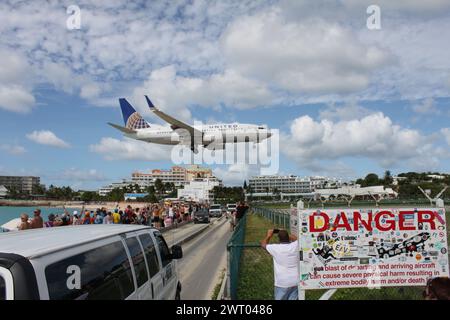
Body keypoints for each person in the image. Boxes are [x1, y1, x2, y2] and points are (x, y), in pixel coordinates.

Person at [261, 229, 299, 300]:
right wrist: (284, 232)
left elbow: (263, 244)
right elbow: (297, 239)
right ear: (288, 238)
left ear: (279, 239)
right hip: (295, 281)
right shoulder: (295, 245)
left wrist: (269, 236)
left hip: (282, 282)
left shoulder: (275, 248)